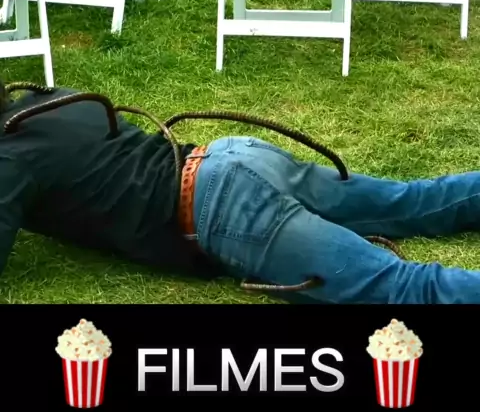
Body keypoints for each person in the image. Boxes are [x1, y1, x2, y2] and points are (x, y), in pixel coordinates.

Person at [1, 82, 480, 305]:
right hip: (233, 156)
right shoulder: (45, 98)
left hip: (225, 209)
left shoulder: (9, 161)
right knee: (415, 201)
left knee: (405, 288)